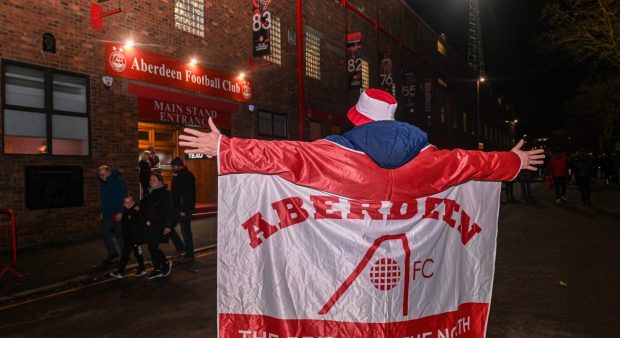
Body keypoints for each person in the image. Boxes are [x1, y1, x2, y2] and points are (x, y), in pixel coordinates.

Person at [179, 89, 544, 196]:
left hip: (349, 279)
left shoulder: (334, 154)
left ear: (358, 117)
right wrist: (511, 161)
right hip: (407, 277)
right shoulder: (428, 157)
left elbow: (287, 154)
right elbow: (467, 161)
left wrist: (227, 148)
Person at [140, 173, 175, 279]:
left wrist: (169, 225)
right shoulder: (150, 193)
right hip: (149, 225)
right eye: (150, 180)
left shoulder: (165, 193)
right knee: (152, 247)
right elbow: (142, 206)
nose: (151, 181)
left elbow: (170, 210)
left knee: (153, 246)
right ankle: (160, 266)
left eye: (154, 179)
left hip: (159, 224)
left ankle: (160, 266)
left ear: (160, 181)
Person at [110, 194, 147, 278]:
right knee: (125, 255)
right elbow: (125, 226)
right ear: (123, 204)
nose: (128, 204)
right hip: (128, 238)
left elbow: (140, 224)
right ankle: (120, 271)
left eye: (130, 202)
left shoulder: (136, 211)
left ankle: (142, 268)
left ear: (133, 202)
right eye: (126, 202)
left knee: (138, 254)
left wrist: (138, 238)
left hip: (136, 238)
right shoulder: (125, 212)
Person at [98, 165, 127, 264]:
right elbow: (103, 198)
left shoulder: (117, 181)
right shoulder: (103, 182)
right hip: (107, 213)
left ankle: (125, 255)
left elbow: (122, 197)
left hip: (117, 212)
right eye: (100, 175)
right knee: (104, 231)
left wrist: (120, 211)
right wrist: (102, 211)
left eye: (103, 174)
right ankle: (113, 252)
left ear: (108, 172)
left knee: (119, 235)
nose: (101, 177)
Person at [169, 157, 196, 263]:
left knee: (186, 232)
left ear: (178, 166)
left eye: (173, 166)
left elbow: (188, 194)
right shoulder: (177, 175)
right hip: (176, 208)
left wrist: (183, 209)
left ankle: (190, 255)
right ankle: (180, 247)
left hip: (183, 209)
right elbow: (175, 193)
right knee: (169, 226)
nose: (172, 168)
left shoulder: (187, 176)